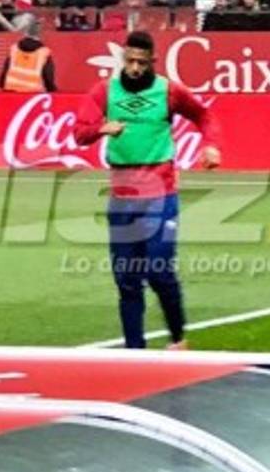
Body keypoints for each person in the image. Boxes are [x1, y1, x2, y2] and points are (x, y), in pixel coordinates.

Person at [76, 31, 221, 349]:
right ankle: (134, 351)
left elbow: (203, 114)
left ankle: (178, 338)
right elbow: (79, 133)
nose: (136, 68)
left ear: (152, 61)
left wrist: (210, 147)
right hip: (122, 198)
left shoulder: (168, 91)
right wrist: (101, 128)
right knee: (127, 281)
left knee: (158, 270)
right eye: (130, 61)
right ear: (122, 60)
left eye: (142, 62)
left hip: (161, 195)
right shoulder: (104, 92)